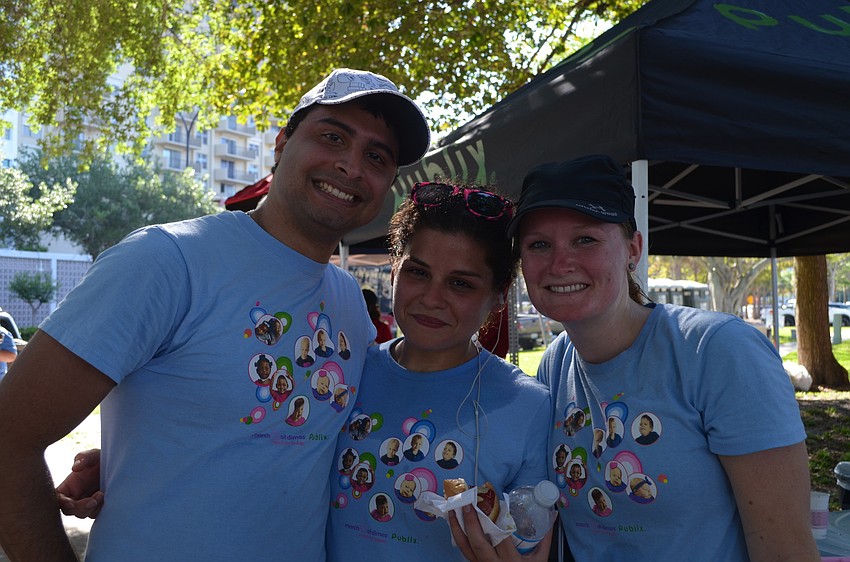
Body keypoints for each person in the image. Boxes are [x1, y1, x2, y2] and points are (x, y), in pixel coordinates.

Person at [0, 67, 430, 561]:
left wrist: (135, 459)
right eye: (333, 136)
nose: (352, 167)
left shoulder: (350, 302)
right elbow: (9, 438)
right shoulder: (166, 261)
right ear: (281, 143)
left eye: (377, 157)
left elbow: (292, 446)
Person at [451, 154, 819, 561]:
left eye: (585, 239)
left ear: (633, 248)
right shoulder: (555, 366)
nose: (560, 263)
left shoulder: (717, 351)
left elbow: (787, 550)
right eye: (539, 245)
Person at [325, 182, 551, 561]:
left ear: (499, 294)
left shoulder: (529, 406)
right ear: (394, 267)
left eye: (460, 283)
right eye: (418, 272)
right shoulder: (346, 371)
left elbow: (528, 539)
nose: (431, 299)